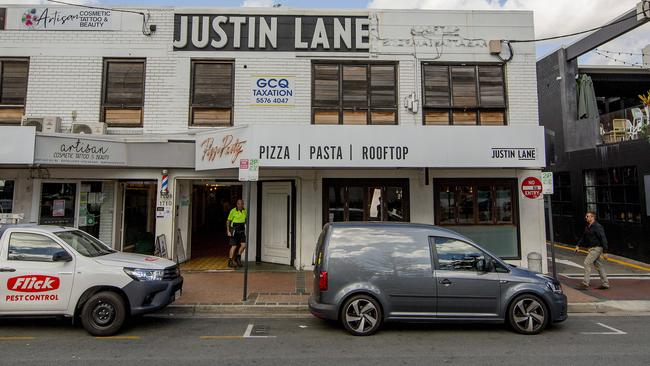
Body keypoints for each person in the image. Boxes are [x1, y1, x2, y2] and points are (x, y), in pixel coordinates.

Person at [575, 211, 609, 290]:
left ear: (592, 217)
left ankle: (585, 283)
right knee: (599, 265)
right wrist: (578, 245)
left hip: (597, 248)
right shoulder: (587, 227)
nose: (586, 218)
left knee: (587, 263)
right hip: (591, 248)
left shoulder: (598, 227)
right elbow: (583, 237)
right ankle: (605, 283)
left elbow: (603, 239)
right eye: (586, 216)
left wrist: (605, 252)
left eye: (587, 216)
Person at [226, 199, 247, 268]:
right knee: (234, 246)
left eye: (242, 204)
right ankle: (230, 261)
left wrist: (246, 226)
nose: (240, 205)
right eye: (239, 204)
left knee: (244, 245)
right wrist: (228, 231)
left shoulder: (245, 211)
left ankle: (238, 258)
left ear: (243, 204)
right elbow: (228, 221)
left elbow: (245, 220)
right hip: (234, 230)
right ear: (237, 204)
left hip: (241, 231)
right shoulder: (233, 211)